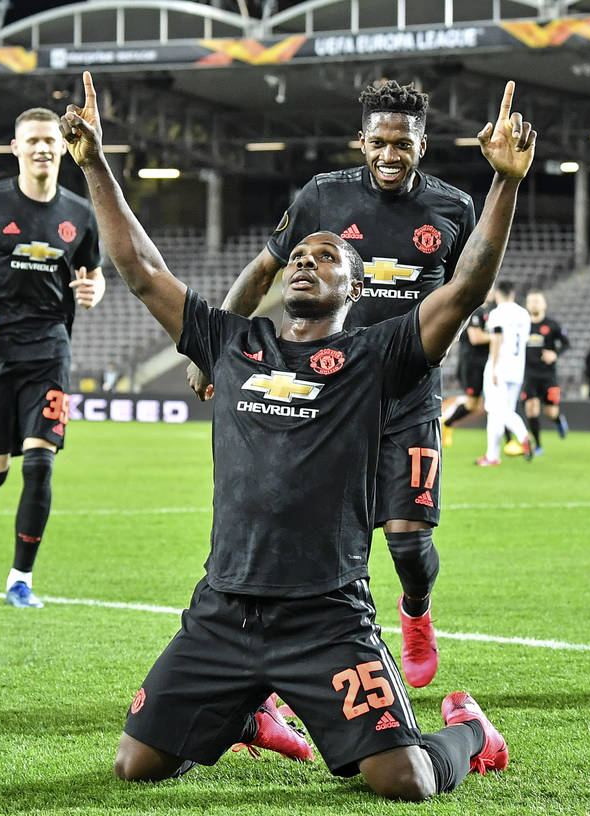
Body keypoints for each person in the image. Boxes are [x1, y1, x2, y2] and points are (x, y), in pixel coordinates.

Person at [62, 70, 531, 801]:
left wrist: (504, 183)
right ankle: (240, 714)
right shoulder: (232, 342)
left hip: (325, 618)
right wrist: (93, 163)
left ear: (356, 288)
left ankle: (471, 729)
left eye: (328, 259)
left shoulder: (376, 359)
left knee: (403, 780)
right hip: (223, 610)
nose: (308, 261)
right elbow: (141, 267)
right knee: (136, 768)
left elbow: (465, 287)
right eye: (300, 257)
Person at [184, 79, 479, 689]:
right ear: (362, 141)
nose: (389, 155)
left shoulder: (454, 210)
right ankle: (289, 666)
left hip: (405, 393)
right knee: (310, 535)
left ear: (422, 143)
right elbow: (266, 268)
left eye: (403, 144)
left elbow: (462, 294)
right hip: (328, 394)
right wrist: (215, 351)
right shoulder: (323, 196)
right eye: (378, 142)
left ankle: (416, 612)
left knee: (407, 540)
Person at [0, 105, 106, 608]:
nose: (41, 148)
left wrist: (93, 289)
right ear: (16, 148)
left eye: (49, 140)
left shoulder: (79, 213)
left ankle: (20, 579)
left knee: (40, 463)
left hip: (49, 351)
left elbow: (92, 271)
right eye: (31, 140)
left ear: (62, 147)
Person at [476, 280, 533, 466]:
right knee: (498, 413)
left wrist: (493, 366)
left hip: (499, 366)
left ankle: (523, 435)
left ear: (498, 294)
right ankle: (492, 455)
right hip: (517, 368)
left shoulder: (497, 313)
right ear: (513, 294)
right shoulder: (524, 314)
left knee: (497, 409)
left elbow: (497, 339)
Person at [440, 290, 494, 448]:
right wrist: (500, 337)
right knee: (473, 404)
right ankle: (447, 424)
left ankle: (510, 441)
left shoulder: (487, 312)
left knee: (490, 403)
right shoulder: (475, 310)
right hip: (472, 365)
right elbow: (476, 338)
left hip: (482, 364)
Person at [522, 289, 569, 456]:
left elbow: (566, 343)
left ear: (544, 304)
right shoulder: (522, 324)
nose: (534, 304)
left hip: (548, 375)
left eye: (537, 301)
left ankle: (557, 420)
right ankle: (538, 445)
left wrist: (555, 354)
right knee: (531, 409)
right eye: (531, 301)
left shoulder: (552, 325)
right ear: (527, 305)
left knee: (550, 411)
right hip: (529, 374)